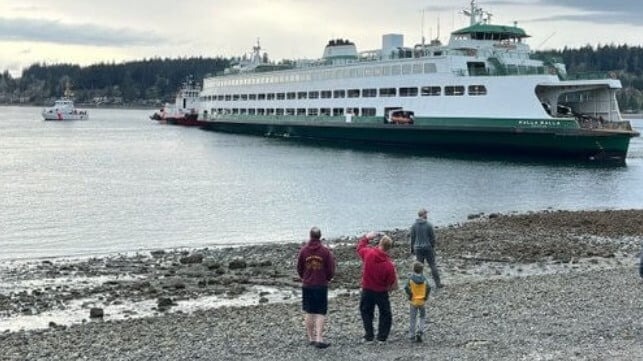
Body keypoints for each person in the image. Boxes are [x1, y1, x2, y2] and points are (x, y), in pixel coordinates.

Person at [296, 226, 336, 349]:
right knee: (320, 312)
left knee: (309, 311)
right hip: (320, 285)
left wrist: (305, 277)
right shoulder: (325, 251)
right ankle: (319, 337)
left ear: (310, 236)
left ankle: (311, 338)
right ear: (320, 236)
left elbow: (299, 268)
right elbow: (330, 268)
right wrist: (327, 278)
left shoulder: (303, 251)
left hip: (308, 285)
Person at [357, 231, 398, 343]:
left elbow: (360, 248)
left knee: (366, 311)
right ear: (389, 248)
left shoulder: (369, 253)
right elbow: (391, 282)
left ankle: (369, 335)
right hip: (381, 291)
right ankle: (382, 336)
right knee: (385, 313)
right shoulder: (389, 265)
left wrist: (366, 237)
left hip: (367, 289)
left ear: (380, 243)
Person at [410, 208, 444, 288]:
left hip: (418, 248)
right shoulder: (428, 225)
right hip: (428, 247)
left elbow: (412, 238)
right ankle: (438, 284)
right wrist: (432, 246)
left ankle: (419, 284)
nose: (427, 215)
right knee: (432, 265)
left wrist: (412, 248)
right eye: (426, 214)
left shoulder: (414, 225)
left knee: (419, 267)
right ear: (423, 215)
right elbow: (432, 238)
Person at [404, 262, 430, 343]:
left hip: (413, 301)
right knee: (422, 317)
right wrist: (425, 296)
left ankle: (412, 335)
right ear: (422, 270)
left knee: (413, 318)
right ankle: (420, 331)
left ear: (413, 269)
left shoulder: (411, 279)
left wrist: (410, 295)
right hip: (422, 301)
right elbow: (429, 287)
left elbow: (406, 287)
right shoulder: (424, 279)